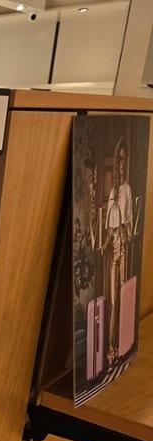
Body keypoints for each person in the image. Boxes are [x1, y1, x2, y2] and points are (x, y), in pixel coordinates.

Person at [105, 135, 133, 367]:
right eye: (119, 159)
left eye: (124, 159)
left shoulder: (127, 189)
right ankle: (110, 348)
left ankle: (122, 346)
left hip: (123, 244)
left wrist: (126, 230)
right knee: (112, 301)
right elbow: (107, 225)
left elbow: (129, 222)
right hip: (112, 246)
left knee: (123, 297)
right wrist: (106, 241)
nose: (121, 164)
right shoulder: (112, 190)